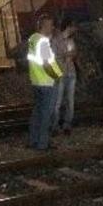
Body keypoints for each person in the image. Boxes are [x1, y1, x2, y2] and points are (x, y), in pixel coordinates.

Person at [27, 14, 63, 151]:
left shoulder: (33, 38)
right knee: (46, 115)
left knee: (37, 113)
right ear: (45, 25)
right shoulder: (43, 41)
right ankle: (43, 144)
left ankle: (33, 140)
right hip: (47, 82)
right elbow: (47, 64)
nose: (52, 27)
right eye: (51, 25)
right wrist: (58, 76)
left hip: (36, 81)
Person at [51, 17, 78, 136]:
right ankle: (55, 126)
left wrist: (70, 55)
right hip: (61, 74)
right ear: (69, 26)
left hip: (71, 73)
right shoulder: (56, 40)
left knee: (70, 101)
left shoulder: (71, 40)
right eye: (74, 26)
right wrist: (66, 55)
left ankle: (67, 125)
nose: (75, 29)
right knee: (58, 102)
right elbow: (54, 57)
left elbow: (74, 53)